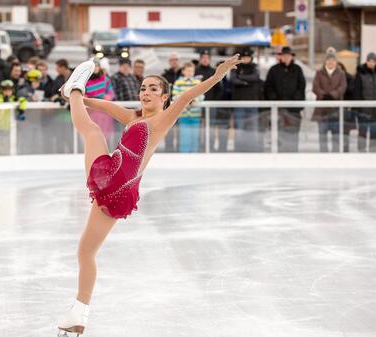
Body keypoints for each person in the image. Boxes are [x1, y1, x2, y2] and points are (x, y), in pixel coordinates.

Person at [56, 54, 242, 335]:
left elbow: (187, 96)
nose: (146, 93)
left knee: (92, 133)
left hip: (114, 179)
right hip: (121, 187)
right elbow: (109, 107)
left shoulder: (161, 120)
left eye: (154, 89)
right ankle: (78, 314)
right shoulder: (133, 117)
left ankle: (76, 88)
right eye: (143, 88)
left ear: (165, 96)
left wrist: (216, 77)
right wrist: (85, 101)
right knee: (86, 251)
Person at [264, 46, 306, 152]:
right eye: (284, 55)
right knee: (279, 134)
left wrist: (295, 100)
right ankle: (279, 156)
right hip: (278, 110)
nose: (286, 57)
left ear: (291, 57)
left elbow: (301, 87)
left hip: (294, 110)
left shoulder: (297, 69)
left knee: (293, 134)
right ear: (280, 57)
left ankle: (293, 155)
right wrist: (275, 100)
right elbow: (268, 87)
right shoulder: (274, 70)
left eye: (288, 55)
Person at [312, 51, 346, 152]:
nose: (331, 62)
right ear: (325, 61)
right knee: (322, 138)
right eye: (328, 60)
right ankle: (323, 159)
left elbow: (343, 87)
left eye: (333, 60)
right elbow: (315, 87)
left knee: (336, 138)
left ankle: (335, 159)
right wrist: (323, 95)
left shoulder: (341, 73)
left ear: (336, 62)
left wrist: (332, 95)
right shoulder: (319, 73)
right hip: (322, 112)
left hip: (336, 111)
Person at [230, 48, 262, 152]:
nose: (246, 59)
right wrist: (246, 82)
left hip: (252, 103)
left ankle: (253, 148)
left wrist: (242, 78)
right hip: (239, 103)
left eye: (248, 57)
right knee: (240, 128)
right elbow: (234, 80)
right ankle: (239, 149)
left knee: (253, 128)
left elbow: (255, 77)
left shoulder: (254, 67)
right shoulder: (236, 67)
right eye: (244, 57)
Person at [172, 62, 203, 152]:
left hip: (195, 114)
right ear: (183, 72)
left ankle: (194, 156)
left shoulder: (197, 82)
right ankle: (184, 156)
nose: (190, 73)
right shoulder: (178, 82)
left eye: (191, 71)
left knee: (195, 137)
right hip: (183, 114)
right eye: (188, 71)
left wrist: (194, 100)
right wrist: (186, 100)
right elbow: (175, 96)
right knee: (185, 136)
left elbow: (201, 95)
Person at [354, 52, 376, 152]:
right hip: (363, 111)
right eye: (370, 61)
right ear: (367, 61)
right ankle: (361, 151)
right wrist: (359, 109)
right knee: (362, 133)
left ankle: (373, 151)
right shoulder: (360, 73)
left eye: (374, 61)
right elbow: (357, 92)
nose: (372, 63)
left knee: (374, 133)